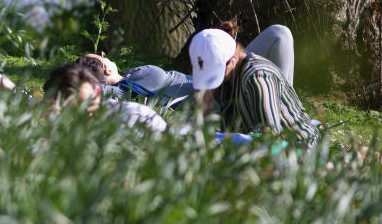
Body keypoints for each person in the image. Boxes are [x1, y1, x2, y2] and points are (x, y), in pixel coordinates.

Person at [81, 23, 297, 108]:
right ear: (107, 69)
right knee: (278, 35)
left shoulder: (127, 81)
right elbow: (92, 92)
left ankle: (286, 104)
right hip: (222, 91)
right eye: (102, 57)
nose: (105, 55)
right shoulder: (123, 89)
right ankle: (288, 106)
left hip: (224, 78)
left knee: (279, 35)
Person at [187, 27, 321, 148]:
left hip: (294, 148)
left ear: (232, 60)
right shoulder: (228, 76)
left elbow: (268, 135)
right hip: (256, 148)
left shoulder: (258, 76)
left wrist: (221, 140)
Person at [42, 61, 167, 133]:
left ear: (97, 91)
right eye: (73, 112)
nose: (86, 115)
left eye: (88, 105)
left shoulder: (132, 117)